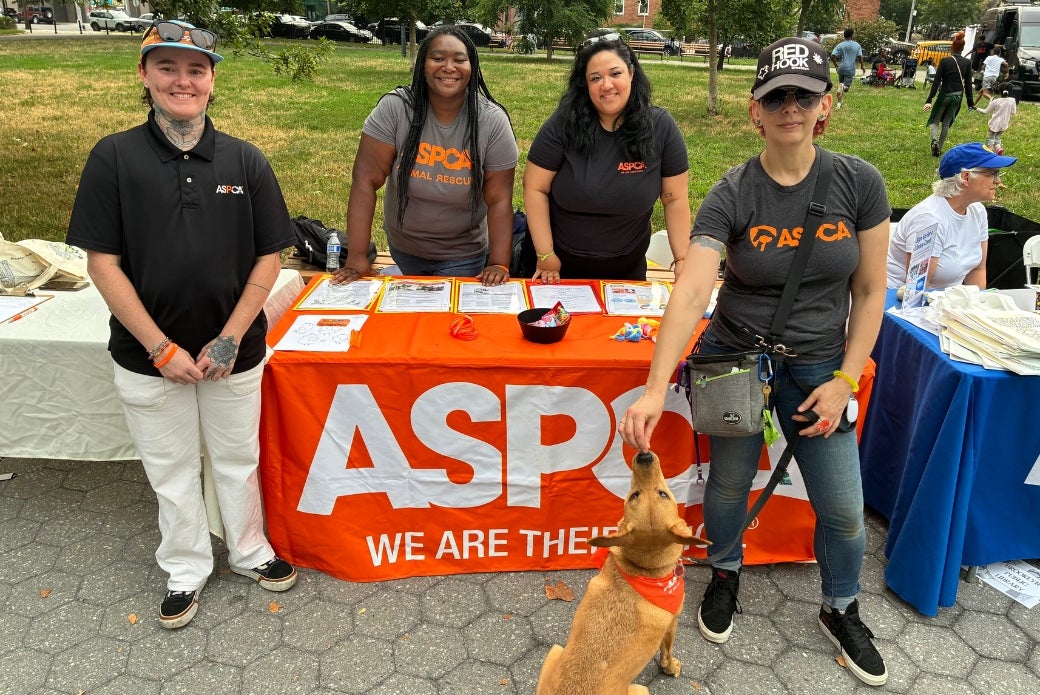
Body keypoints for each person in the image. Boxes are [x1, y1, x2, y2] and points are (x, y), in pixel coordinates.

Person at [619, 37, 892, 687]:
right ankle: (726, 571)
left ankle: (842, 605)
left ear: (824, 106)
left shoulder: (861, 183)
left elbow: (872, 290)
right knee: (729, 483)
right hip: (735, 357)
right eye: (777, 97)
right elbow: (692, 288)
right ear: (756, 111)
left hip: (822, 367)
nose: (791, 107)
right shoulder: (734, 191)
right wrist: (657, 386)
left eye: (804, 95)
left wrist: (846, 379)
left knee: (845, 508)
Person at [66, 21, 298, 629]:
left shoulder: (244, 159)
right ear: (144, 75)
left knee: (236, 459)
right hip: (147, 356)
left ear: (212, 81)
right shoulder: (113, 157)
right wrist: (160, 347)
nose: (182, 80)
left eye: (196, 69)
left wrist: (229, 338)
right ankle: (186, 566)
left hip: (234, 353)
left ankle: (250, 551)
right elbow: (102, 263)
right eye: (167, 67)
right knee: (171, 469)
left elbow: (269, 256)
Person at [333, 26, 518, 286]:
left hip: (463, 253)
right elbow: (365, 181)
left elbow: (500, 198)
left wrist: (498, 262)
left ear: (472, 66)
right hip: (405, 248)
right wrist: (357, 257)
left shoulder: (491, 121)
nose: (449, 67)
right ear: (423, 64)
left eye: (459, 59)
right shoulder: (396, 109)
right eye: (438, 58)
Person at [523, 39, 690, 281]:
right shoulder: (562, 124)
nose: (607, 85)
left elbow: (674, 199)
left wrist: (682, 260)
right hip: (557, 268)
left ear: (631, 73)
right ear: (585, 85)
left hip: (628, 270)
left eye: (615, 73)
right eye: (595, 78)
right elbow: (535, 188)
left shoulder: (661, 127)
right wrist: (546, 254)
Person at [886, 142, 1017, 289]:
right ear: (966, 177)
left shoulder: (977, 211)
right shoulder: (928, 219)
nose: (998, 181)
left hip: (946, 302)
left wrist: (978, 306)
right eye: (992, 174)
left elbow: (977, 270)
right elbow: (916, 288)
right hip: (898, 301)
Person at [924, 31, 975, 157]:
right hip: (957, 95)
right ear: (963, 48)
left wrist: (930, 99)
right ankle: (939, 148)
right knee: (946, 123)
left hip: (945, 94)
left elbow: (936, 81)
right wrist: (970, 102)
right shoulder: (967, 63)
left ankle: (934, 141)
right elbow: (968, 84)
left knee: (935, 120)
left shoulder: (945, 61)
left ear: (952, 47)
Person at [977, 82, 1017, 154]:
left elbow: (985, 112)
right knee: (997, 137)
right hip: (1004, 124)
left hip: (994, 124)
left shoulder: (996, 101)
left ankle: (990, 153)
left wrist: (976, 108)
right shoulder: (1012, 100)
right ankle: (998, 148)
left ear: (999, 91)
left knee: (991, 139)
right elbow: (1013, 112)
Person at [830, 28, 865, 109]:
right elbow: (860, 56)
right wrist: (862, 65)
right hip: (850, 69)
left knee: (840, 85)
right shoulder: (857, 45)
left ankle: (839, 103)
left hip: (841, 68)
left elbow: (832, 55)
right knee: (845, 89)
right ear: (852, 35)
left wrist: (836, 65)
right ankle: (844, 87)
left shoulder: (840, 45)